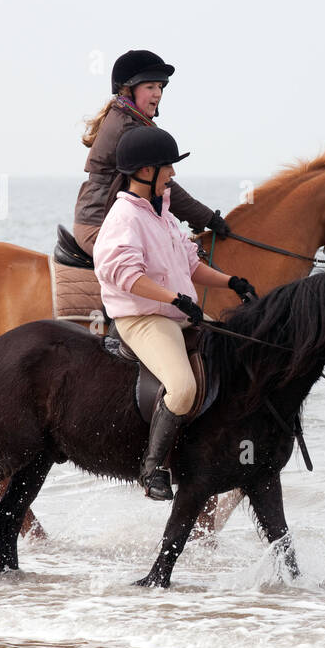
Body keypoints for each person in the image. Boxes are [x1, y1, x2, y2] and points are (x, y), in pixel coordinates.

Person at [93, 126, 256, 500]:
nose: (173, 174)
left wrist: (232, 282)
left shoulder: (162, 215)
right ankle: (153, 470)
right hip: (144, 318)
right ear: (146, 172)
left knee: (236, 356)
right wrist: (175, 298)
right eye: (167, 166)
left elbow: (190, 263)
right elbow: (125, 275)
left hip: (175, 312)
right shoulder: (124, 218)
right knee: (182, 389)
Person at [74, 49, 231, 256]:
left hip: (117, 221)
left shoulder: (129, 119)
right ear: (128, 89)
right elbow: (162, 183)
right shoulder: (128, 129)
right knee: (160, 266)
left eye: (160, 87)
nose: (157, 93)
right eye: (150, 86)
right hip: (99, 225)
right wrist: (207, 218)